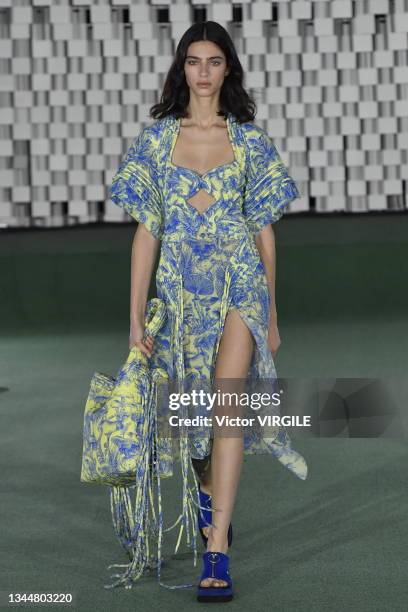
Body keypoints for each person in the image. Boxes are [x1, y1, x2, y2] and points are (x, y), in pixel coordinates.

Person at [109, 20, 308, 603]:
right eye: (193, 60)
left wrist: (270, 314)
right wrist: (133, 316)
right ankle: (206, 495)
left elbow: (264, 233)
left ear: (228, 69)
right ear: (181, 68)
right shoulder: (156, 142)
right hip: (176, 296)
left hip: (239, 288)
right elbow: (146, 235)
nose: (202, 70)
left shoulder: (249, 140)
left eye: (214, 60)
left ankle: (216, 546)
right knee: (192, 421)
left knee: (226, 406)